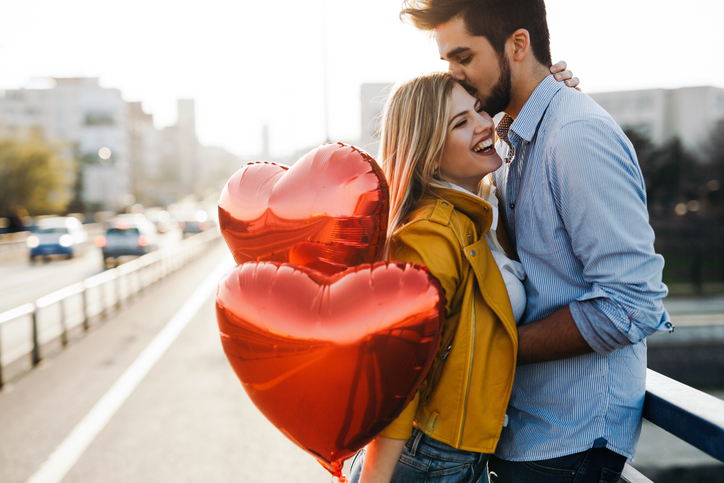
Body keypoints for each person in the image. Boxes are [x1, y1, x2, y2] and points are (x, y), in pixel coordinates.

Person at [399, 1, 672, 482]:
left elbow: (633, 304)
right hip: (520, 432)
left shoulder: (575, 135)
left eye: (463, 57)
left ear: (518, 45)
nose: (457, 76)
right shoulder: (512, 139)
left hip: (570, 442)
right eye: (448, 63)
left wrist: (494, 349)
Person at [348, 66, 579, 483]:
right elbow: (398, 373)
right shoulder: (430, 234)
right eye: (461, 121)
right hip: (424, 461)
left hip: (457, 459)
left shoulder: (479, 213)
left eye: (478, 110)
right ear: (430, 151)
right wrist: (374, 479)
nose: (484, 124)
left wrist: (553, 100)